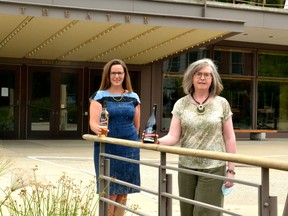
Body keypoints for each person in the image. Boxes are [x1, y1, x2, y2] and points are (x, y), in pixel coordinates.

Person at [156, 58, 236, 216]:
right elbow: (173, 136)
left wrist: (231, 170)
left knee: (205, 212)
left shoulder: (222, 103)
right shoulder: (181, 104)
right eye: (198, 74)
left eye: (207, 74)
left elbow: (229, 138)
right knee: (187, 211)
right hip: (186, 166)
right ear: (191, 77)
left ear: (212, 79)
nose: (202, 78)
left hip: (213, 167)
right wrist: (156, 140)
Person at [89, 59, 141, 216]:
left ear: (125, 75)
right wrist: (97, 129)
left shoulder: (133, 97)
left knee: (123, 193)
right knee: (109, 192)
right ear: (108, 75)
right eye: (113, 73)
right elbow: (92, 123)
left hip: (129, 148)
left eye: (120, 73)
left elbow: (136, 126)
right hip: (107, 147)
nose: (117, 76)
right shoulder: (99, 96)